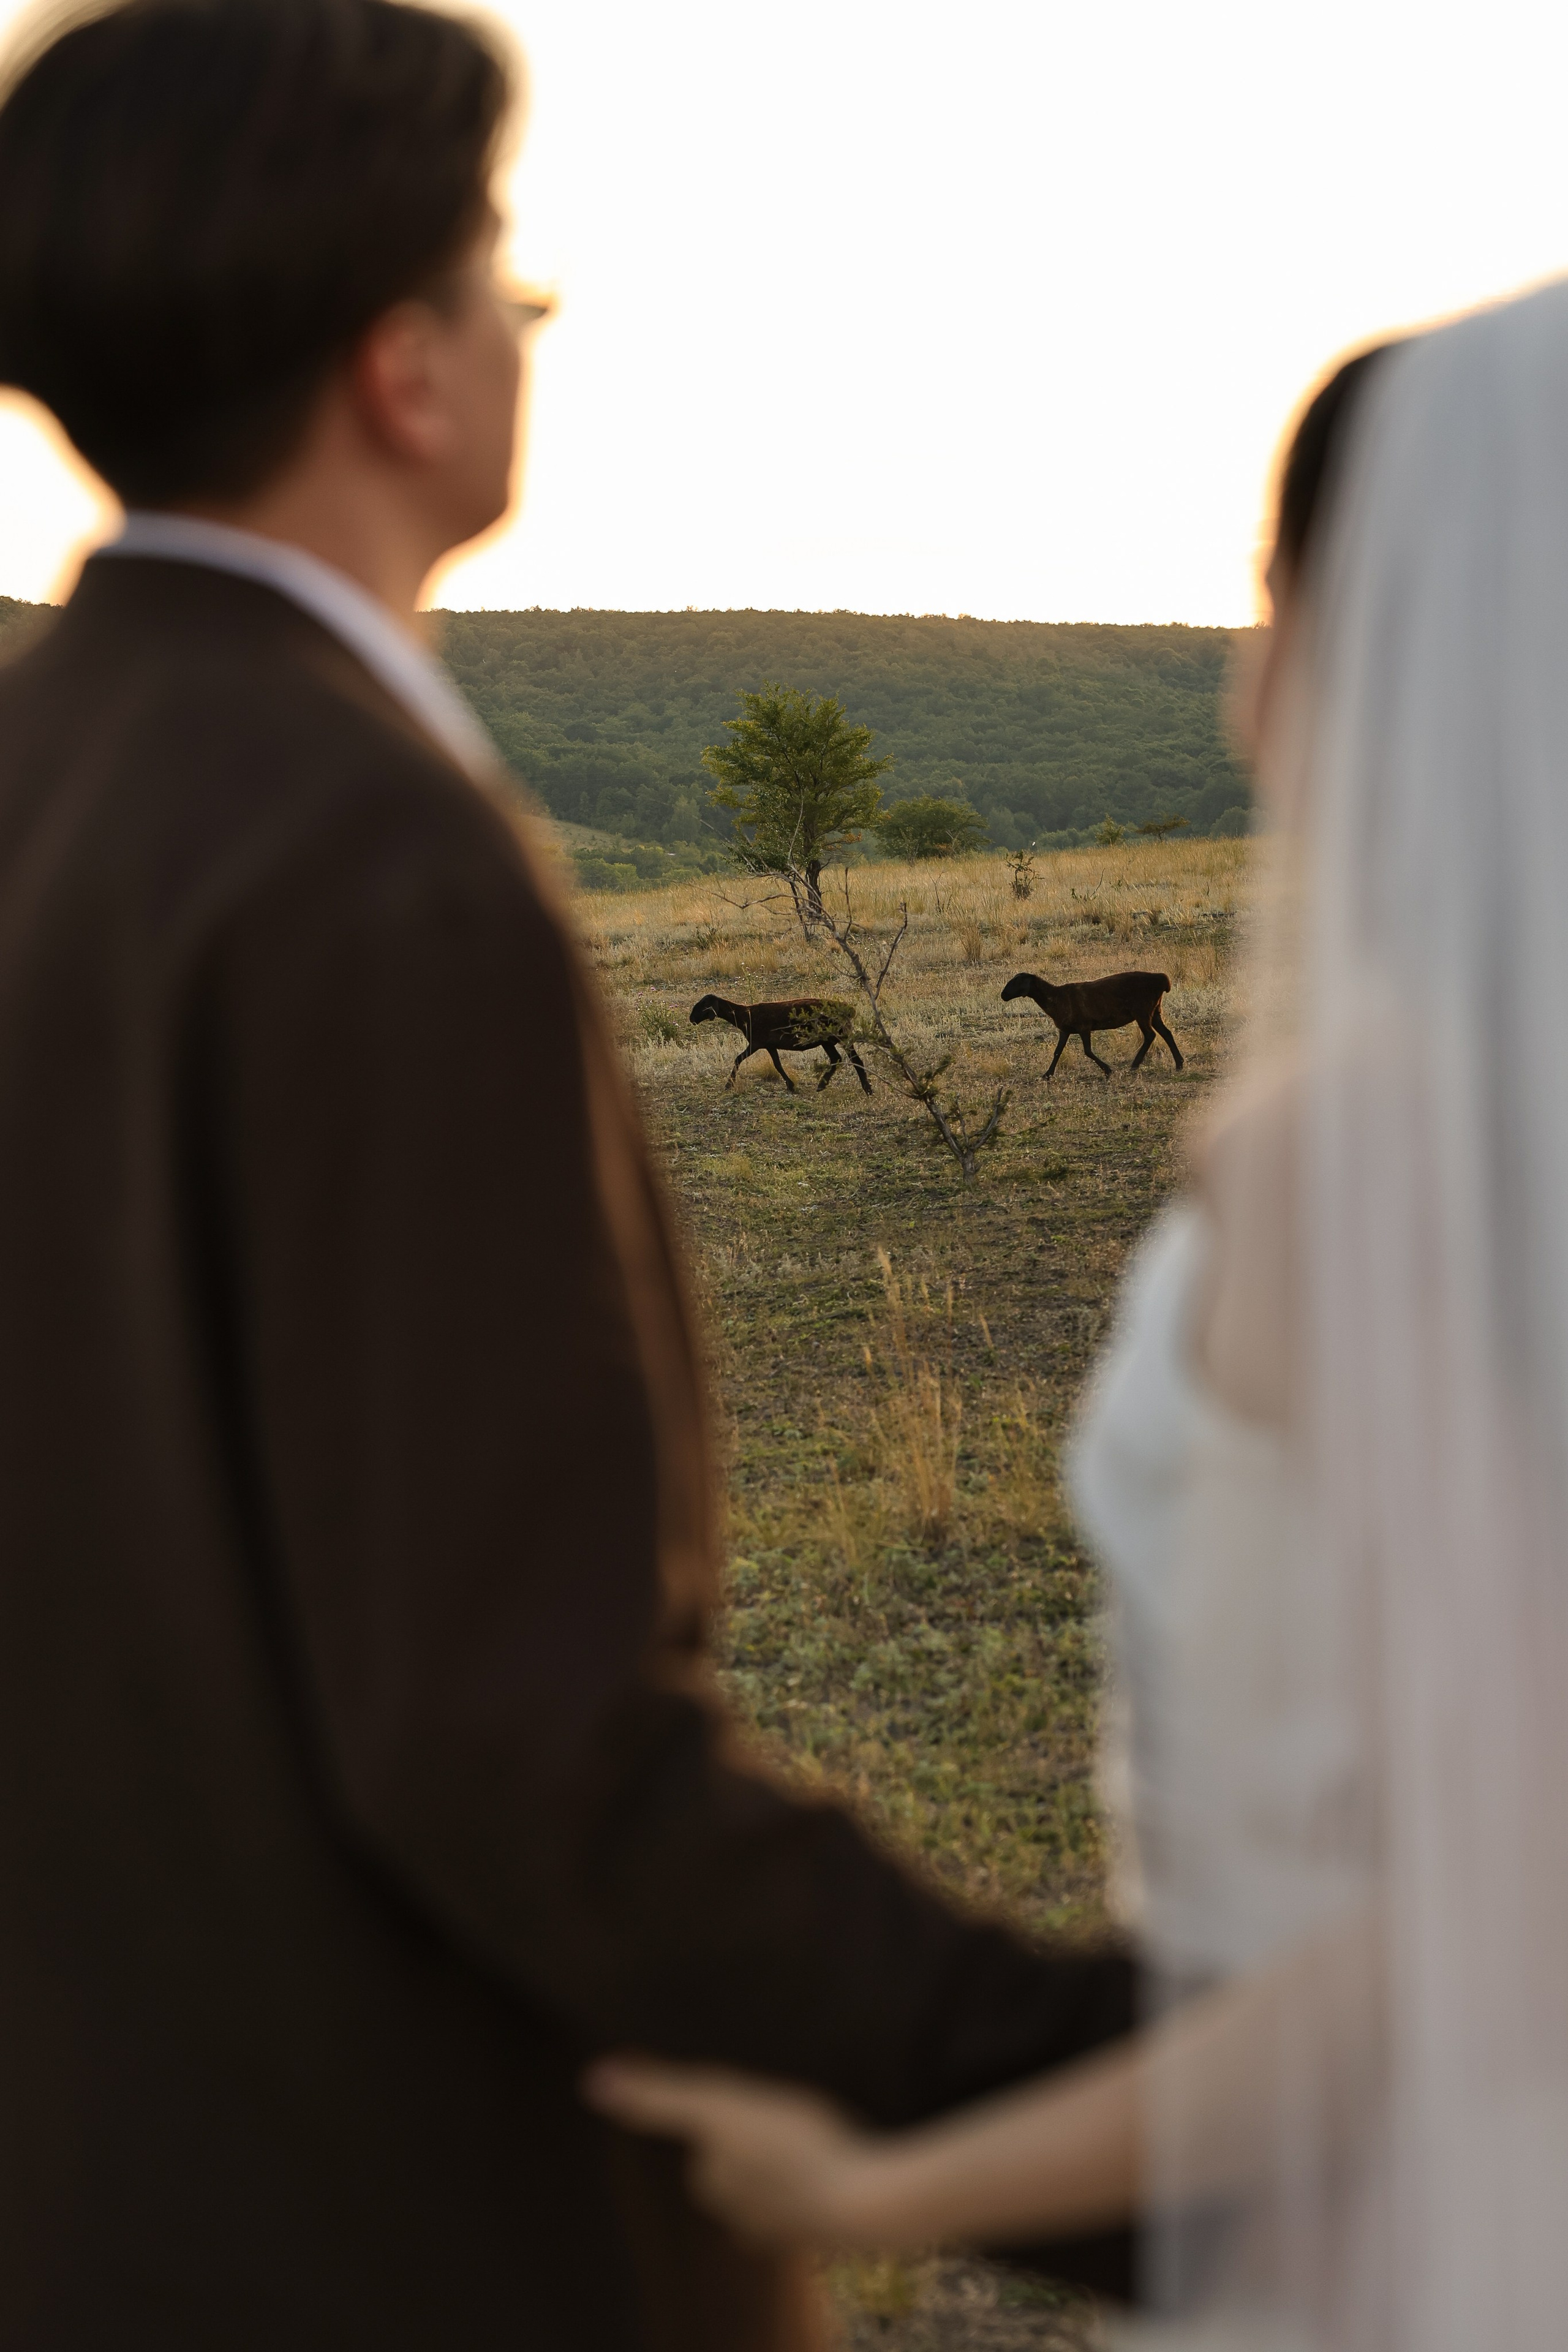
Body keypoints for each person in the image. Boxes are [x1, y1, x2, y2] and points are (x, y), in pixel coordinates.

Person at [0, 3, 1142, 2344]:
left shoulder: (51, 794)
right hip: (416, 2233)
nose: (525, 326)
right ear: (402, 368)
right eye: (501, 272)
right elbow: (507, 1735)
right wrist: (1136, 2117)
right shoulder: (375, 863)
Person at [593, 279, 1568, 2351]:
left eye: (1266, 592)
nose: (1237, 659)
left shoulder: (1345, 1178)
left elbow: (1474, 1945)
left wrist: (887, 2182)